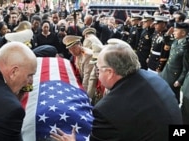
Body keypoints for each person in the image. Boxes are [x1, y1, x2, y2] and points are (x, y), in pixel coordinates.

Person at [51, 38, 182, 141]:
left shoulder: (106, 111)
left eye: (98, 68)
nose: (97, 73)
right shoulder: (156, 80)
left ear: (109, 72)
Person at [159, 22, 189, 104]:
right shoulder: (176, 41)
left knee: (173, 97)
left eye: (176, 31)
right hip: (167, 71)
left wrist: (180, 80)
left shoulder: (186, 46)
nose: (174, 32)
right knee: (164, 94)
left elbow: (186, 67)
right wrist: (167, 33)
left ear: (183, 33)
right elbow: (166, 41)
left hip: (175, 76)